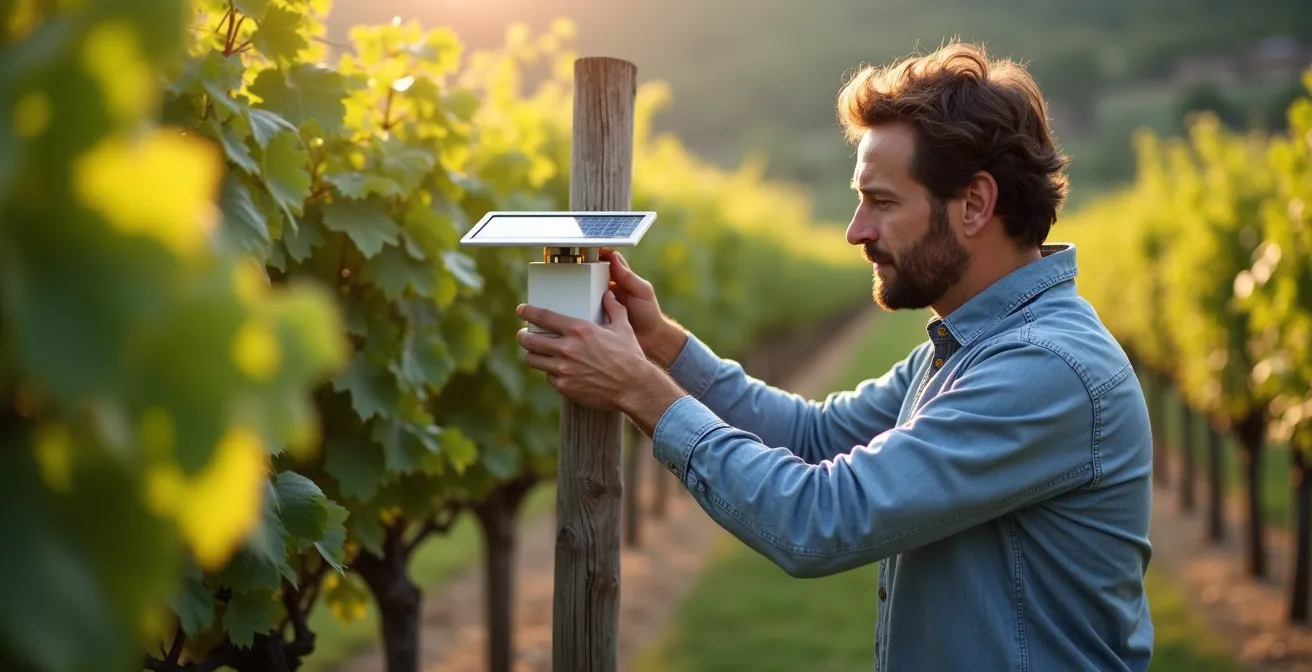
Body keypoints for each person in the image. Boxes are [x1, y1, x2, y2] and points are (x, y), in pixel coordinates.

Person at [515, 40, 1154, 671]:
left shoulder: (1044, 368)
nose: (856, 230)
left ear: (975, 204)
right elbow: (812, 435)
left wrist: (640, 390)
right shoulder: (973, 346)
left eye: (882, 201)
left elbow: (822, 518)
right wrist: (663, 346)